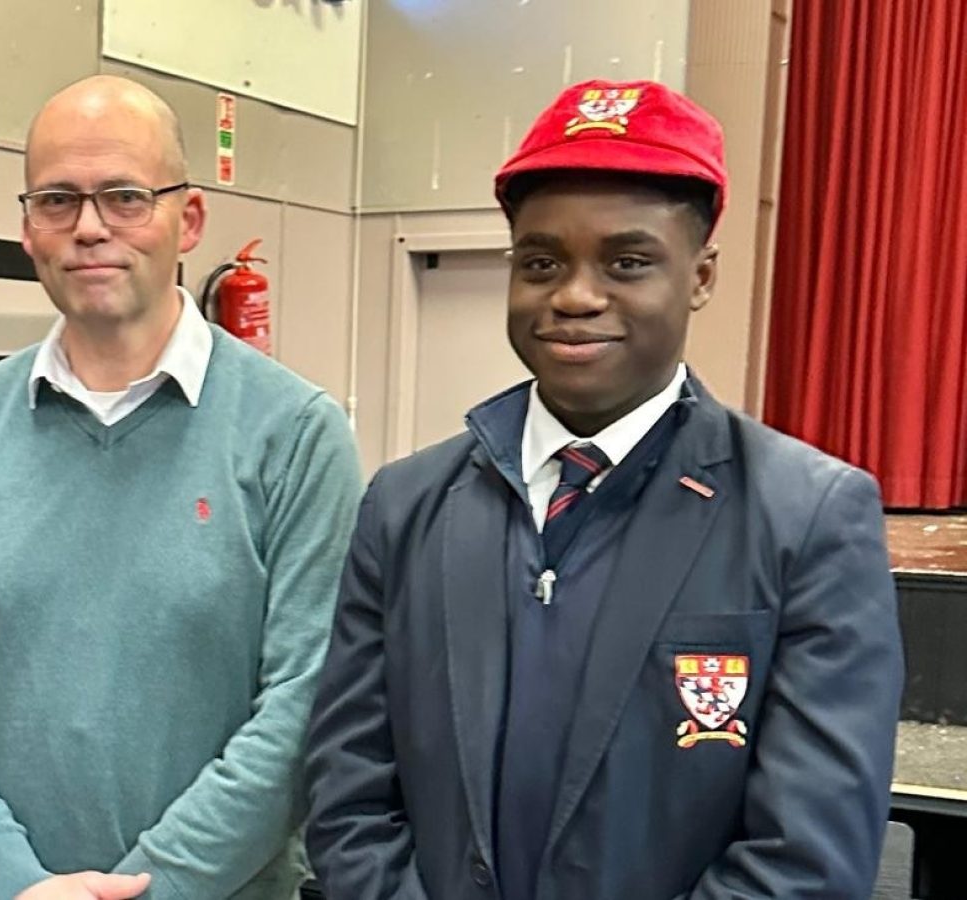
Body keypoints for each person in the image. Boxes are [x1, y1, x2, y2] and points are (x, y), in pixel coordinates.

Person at [304, 79, 904, 900]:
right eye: (541, 262)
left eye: (627, 262)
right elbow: (349, 798)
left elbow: (811, 853)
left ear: (700, 276)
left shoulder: (806, 517)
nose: (576, 297)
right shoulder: (406, 506)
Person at [0, 75, 362, 900]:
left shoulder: (296, 435)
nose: (89, 228)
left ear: (189, 219)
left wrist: (152, 887)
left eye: (125, 196)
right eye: (58, 199)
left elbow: (305, 703)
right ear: (27, 228)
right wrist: (10, 882)